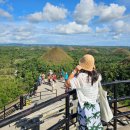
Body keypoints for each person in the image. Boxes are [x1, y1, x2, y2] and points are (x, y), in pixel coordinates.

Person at [65, 54, 103, 130]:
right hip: (95, 106)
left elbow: (67, 84)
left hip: (85, 108)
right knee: (95, 127)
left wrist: (75, 71)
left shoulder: (81, 77)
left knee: (84, 127)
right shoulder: (98, 76)